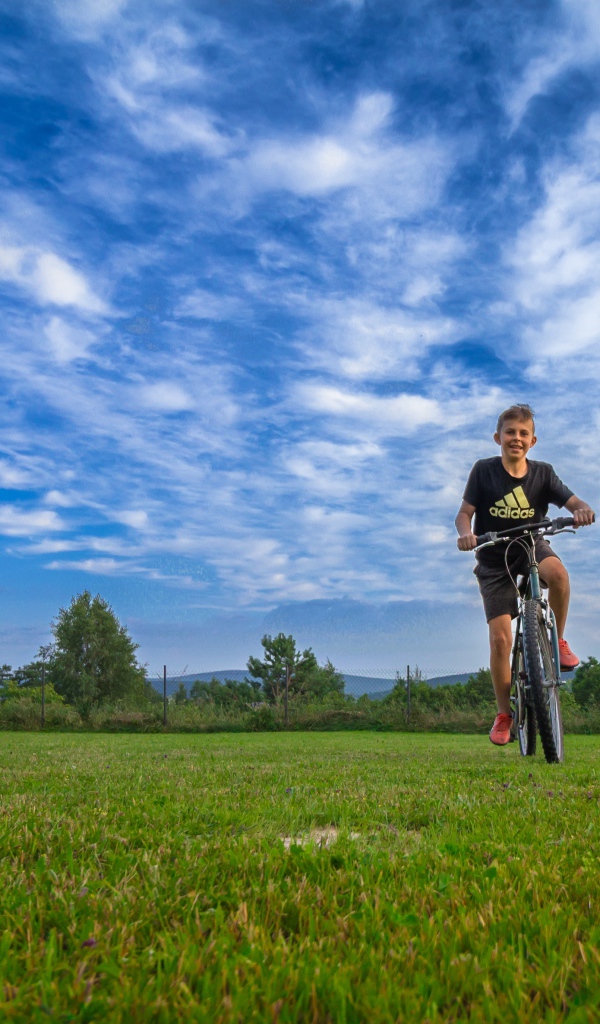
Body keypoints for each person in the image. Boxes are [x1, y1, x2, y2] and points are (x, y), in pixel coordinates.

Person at [455, 404, 595, 746]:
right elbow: (464, 513)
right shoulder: (483, 471)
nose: (516, 438)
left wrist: (582, 510)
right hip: (494, 557)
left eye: (523, 433)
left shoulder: (543, 473)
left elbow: (573, 501)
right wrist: (466, 534)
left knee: (558, 575)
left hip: (531, 545)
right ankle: (504, 713)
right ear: (498, 438)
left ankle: (557, 642)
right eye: (510, 432)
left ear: (532, 441)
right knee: (500, 639)